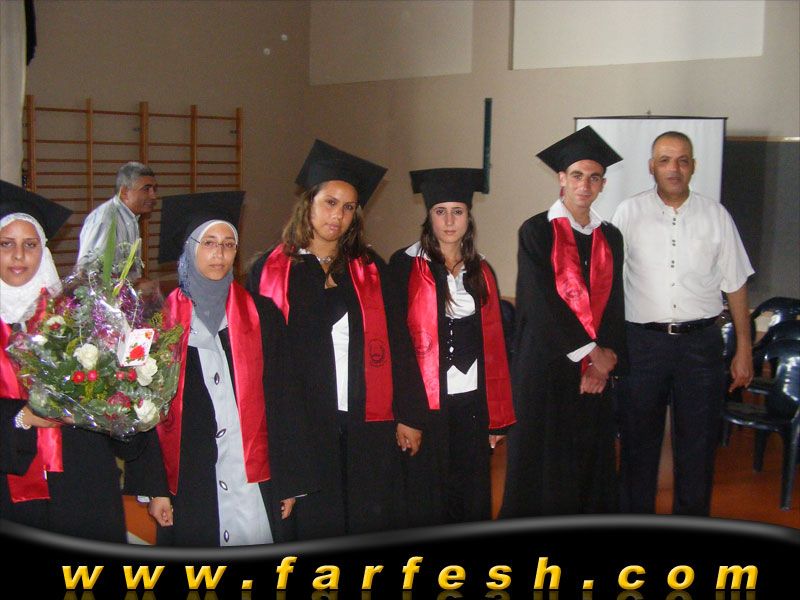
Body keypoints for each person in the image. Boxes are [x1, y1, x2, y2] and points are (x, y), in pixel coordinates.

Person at [246, 139, 427, 539]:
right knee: (316, 522)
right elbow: (256, 356)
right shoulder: (271, 271)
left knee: (367, 515)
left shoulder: (370, 269)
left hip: (365, 418)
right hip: (304, 423)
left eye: (348, 208)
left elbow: (398, 342)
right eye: (330, 202)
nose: (338, 216)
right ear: (308, 203)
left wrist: (409, 413)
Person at [126, 190, 312, 546]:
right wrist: (155, 488)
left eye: (228, 244)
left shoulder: (263, 315)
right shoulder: (153, 322)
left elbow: (287, 401)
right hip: (190, 480)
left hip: (253, 476)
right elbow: (141, 411)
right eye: (209, 243)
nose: (219, 253)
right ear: (189, 249)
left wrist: (289, 481)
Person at [612, 131, 754, 516]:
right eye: (664, 160)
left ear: (693, 166)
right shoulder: (627, 214)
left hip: (700, 346)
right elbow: (609, 283)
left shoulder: (716, 216)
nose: (673, 168)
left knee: (698, 446)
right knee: (638, 443)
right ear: (651, 167)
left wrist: (744, 348)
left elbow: (736, 284)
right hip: (642, 345)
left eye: (682, 160)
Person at [0, 180, 146, 543]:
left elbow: (111, 400)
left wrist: (125, 395)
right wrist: (21, 417)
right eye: (6, 244)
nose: (18, 256)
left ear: (43, 251)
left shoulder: (77, 315)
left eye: (30, 244)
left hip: (82, 483)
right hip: (10, 489)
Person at [500, 126, 627, 517]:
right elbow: (540, 302)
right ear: (561, 178)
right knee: (542, 461)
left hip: (594, 372)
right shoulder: (537, 231)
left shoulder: (611, 236)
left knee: (588, 458)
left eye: (593, 177)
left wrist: (604, 361)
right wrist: (591, 352)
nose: (584, 185)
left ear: (603, 184)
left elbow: (615, 302)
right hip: (546, 366)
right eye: (576, 175)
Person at [389, 167, 516, 525]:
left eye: (457, 212)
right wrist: (406, 415)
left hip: (472, 404)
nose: (449, 221)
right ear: (428, 217)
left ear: (468, 217)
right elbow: (396, 345)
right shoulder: (404, 266)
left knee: (470, 495)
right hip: (425, 405)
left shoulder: (482, 271)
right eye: (440, 212)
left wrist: (495, 416)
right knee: (427, 499)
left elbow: (496, 347)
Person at [77, 161, 157, 285]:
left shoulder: (130, 218)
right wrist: (136, 286)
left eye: (154, 189)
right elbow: (89, 273)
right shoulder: (105, 220)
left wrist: (138, 284)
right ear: (124, 192)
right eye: (146, 189)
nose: (153, 196)